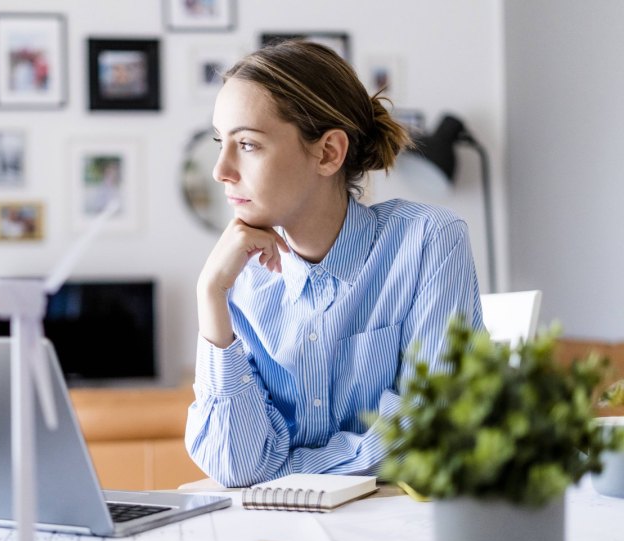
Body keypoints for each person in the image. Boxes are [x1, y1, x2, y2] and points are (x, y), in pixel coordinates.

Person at [185, 40, 484, 488]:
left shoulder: (427, 242)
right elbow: (237, 465)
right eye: (219, 142)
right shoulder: (237, 279)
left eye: (246, 143)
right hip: (283, 532)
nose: (220, 170)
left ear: (327, 153)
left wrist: (284, 466)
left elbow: (433, 432)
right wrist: (210, 297)